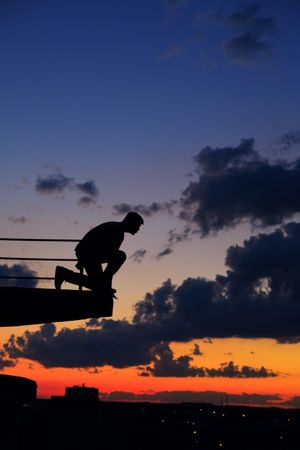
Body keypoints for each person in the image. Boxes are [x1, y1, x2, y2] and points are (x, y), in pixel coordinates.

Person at [54, 212, 144, 293]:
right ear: (131, 223)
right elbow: (103, 250)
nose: (138, 229)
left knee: (98, 284)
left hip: (90, 254)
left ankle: (66, 274)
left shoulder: (116, 229)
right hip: (89, 254)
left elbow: (101, 247)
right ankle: (65, 274)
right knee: (120, 256)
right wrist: (82, 260)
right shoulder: (117, 231)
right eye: (138, 226)